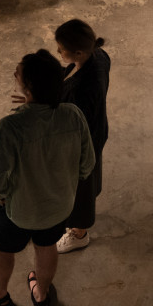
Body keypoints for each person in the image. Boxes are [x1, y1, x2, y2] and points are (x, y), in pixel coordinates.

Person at [0, 50, 94, 306]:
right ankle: (41, 295)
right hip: (58, 207)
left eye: (18, 74)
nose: (14, 74)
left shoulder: (10, 128)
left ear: (30, 87)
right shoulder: (73, 115)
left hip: (17, 211)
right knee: (46, 247)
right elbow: (86, 164)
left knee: (2, 250)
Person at [54, 19, 110, 253]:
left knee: (81, 188)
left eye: (61, 49)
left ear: (78, 52)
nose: (58, 51)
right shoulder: (99, 55)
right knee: (85, 182)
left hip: (81, 145)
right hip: (96, 131)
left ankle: (79, 234)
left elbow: (72, 123)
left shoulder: (83, 89)